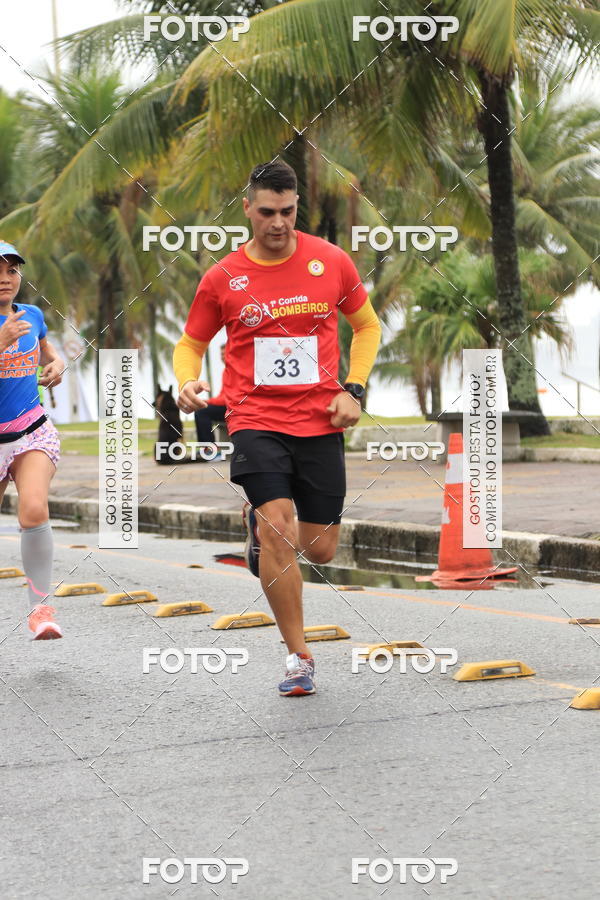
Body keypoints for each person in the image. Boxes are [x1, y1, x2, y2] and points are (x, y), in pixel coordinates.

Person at [173, 161, 381, 696]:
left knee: (321, 549)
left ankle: (256, 525)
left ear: (296, 207)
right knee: (279, 532)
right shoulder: (223, 277)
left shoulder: (330, 261)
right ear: (247, 209)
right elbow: (191, 342)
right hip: (254, 419)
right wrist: (187, 380)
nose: (278, 222)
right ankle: (298, 657)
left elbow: (366, 326)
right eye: (267, 211)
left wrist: (354, 389)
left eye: (287, 211)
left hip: (319, 420)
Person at [0, 241, 65, 640]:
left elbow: (46, 351)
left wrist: (56, 364)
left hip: (30, 431)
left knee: (34, 510)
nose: (4, 279)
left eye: (11, 270)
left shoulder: (32, 315)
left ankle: (41, 610)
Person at [194, 343, 228, 453]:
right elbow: (222, 395)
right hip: (227, 406)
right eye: (221, 354)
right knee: (200, 410)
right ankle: (205, 448)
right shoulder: (225, 371)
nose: (223, 356)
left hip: (234, 409)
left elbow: (227, 398)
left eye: (225, 353)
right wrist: (207, 402)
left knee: (202, 411)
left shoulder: (235, 370)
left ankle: (211, 450)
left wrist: (207, 402)